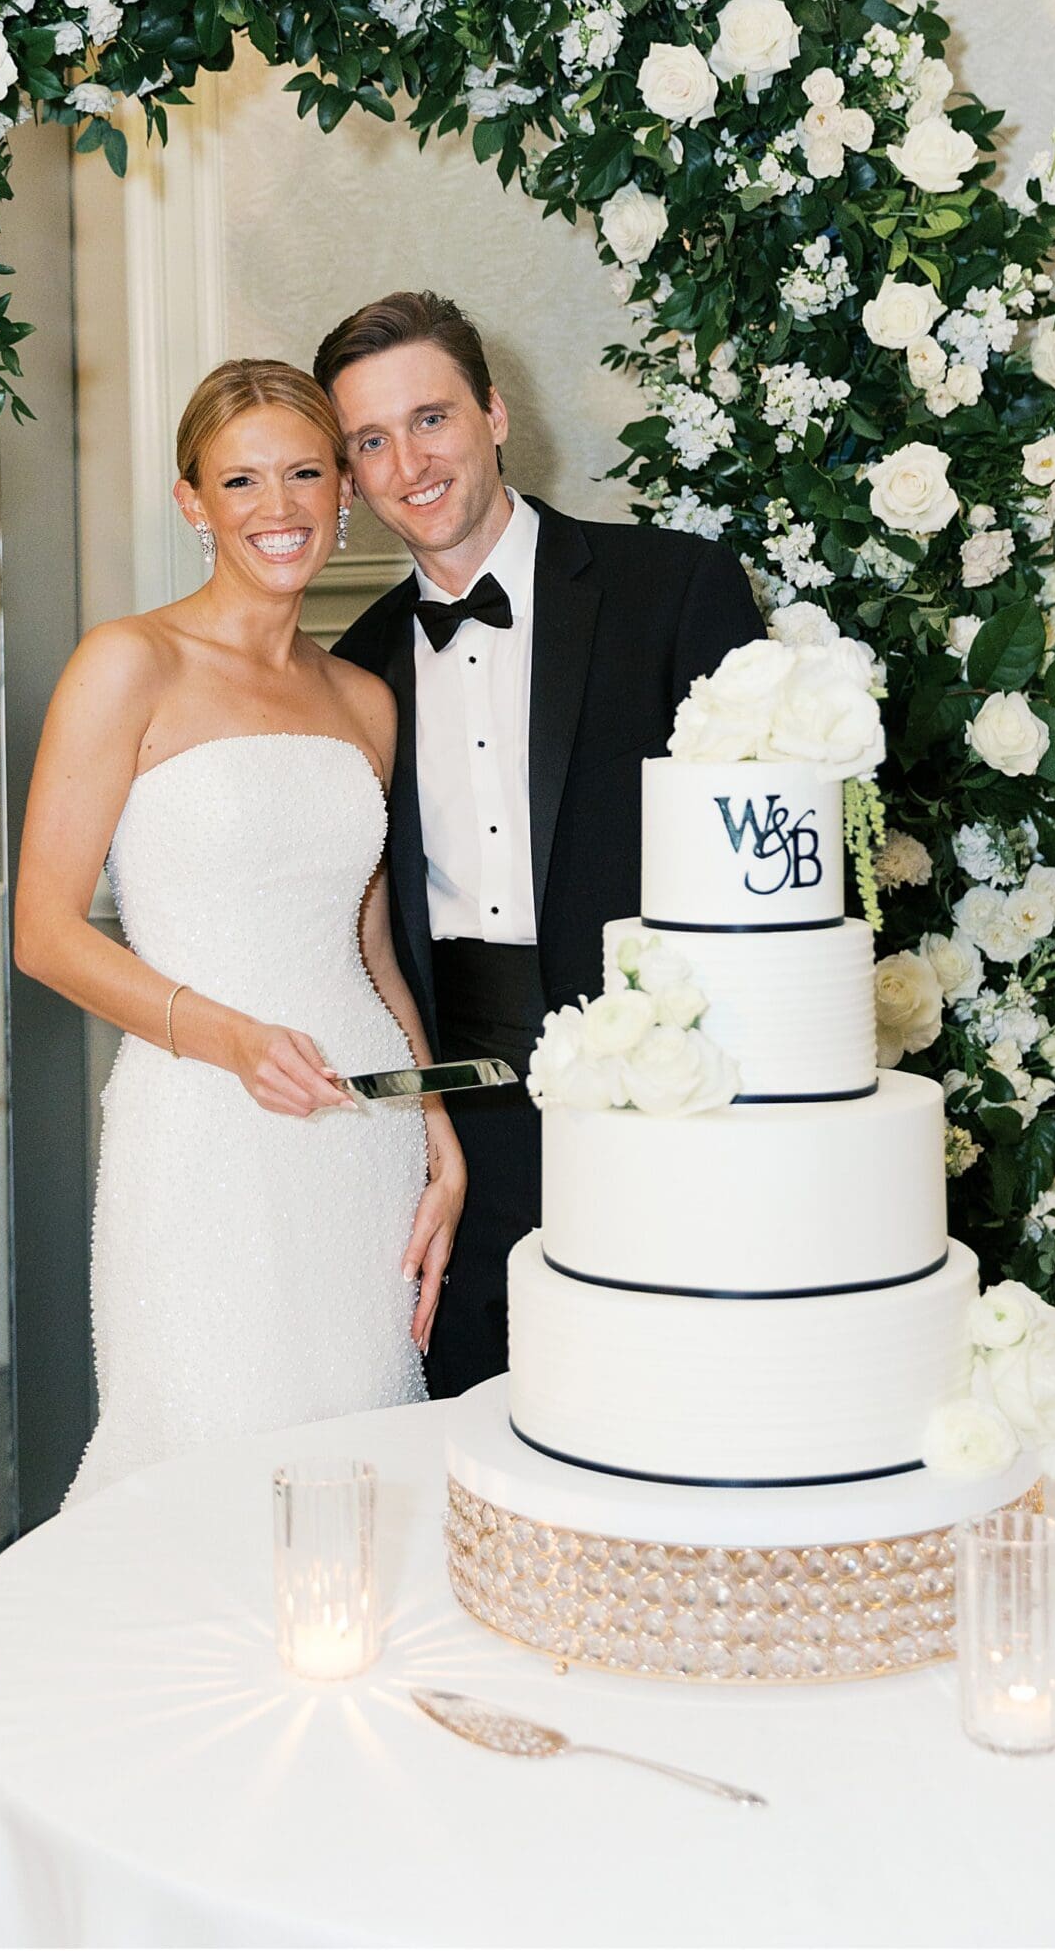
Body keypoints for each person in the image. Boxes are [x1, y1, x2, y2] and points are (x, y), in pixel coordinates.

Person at [15, 358, 466, 1504]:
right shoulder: (128, 663)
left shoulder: (363, 699)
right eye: (243, 480)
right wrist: (228, 1040)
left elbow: (366, 941)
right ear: (192, 502)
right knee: (201, 1457)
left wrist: (430, 1116)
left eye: (306, 473)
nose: (279, 508)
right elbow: (43, 932)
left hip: (357, 1131)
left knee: (356, 1466)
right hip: (202, 1124)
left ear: (342, 492)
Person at [318, 292, 763, 1399]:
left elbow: (767, 866)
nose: (407, 463)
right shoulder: (353, 666)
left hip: (662, 1103)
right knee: (476, 1436)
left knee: (673, 1414)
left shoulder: (674, 588)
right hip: (460, 1130)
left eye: (431, 419)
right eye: (370, 441)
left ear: (494, 413)